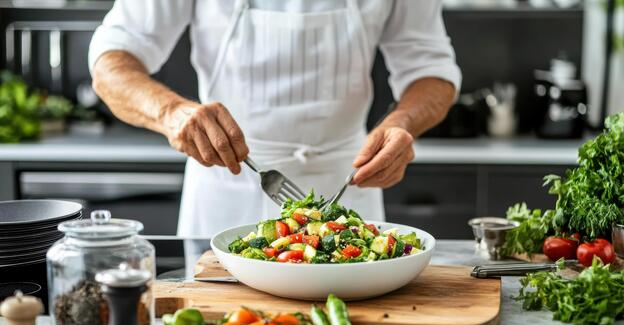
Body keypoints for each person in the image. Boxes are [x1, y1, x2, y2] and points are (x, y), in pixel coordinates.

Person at [89, 0, 461, 272]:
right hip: (226, 186)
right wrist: (172, 113)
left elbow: (432, 68)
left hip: (346, 184)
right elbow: (110, 61)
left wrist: (402, 123)